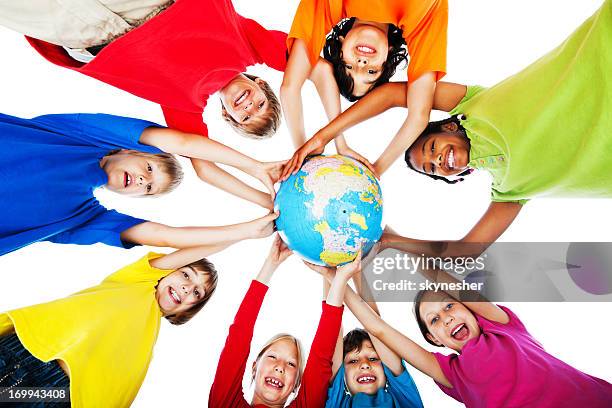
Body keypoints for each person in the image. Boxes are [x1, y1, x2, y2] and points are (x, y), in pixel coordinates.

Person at [288, 0, 612, 254]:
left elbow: (390, 95)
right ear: (453, 178)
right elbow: (461, 252)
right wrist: (388, 240)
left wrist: (326, 139)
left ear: (450, 127)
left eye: (432, 149)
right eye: (434, 169)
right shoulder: (510, 191)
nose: (439, 161)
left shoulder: (472, 104)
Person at [0, 0, 288, 208]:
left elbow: (205, 169)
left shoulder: (185, 107)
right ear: (261, 83)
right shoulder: (248, 44)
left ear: (228, 115)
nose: (248, 106)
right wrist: (311, 138)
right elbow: (310, 57)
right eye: (259, 105)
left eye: (245, 118)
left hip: (92, 34)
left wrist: (267, 196)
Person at [0, 112, 278, 256]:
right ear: (127, 149)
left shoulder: (83, 218)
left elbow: (166, 236)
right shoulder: (78, 136)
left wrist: (247, 231)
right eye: (148, 168)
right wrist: (254, 167)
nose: (144, 180)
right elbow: (180, 143)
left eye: (148, 188)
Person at [0, 243, 223, 407]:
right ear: (166, 271)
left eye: (196, 292)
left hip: (57, 393)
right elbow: (187, 251)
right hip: (25, 352)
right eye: (185, 274)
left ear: (189, 308)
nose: (186, 287)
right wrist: (249, 231)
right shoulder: (136, 280)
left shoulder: (147, 346)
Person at [340, 275, 612, 407]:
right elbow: (379, 329)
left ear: (469, 307)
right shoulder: (450, 374)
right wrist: (337, 278)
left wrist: (391, 241)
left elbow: (442, 274)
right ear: (433, 338)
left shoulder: (504, 327)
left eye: (449, 307)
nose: (445, 318)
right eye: (434, 320)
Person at [281, 0, 448, 176]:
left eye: (349, 66)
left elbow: (290, 88)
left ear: (341, 46)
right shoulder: (422, 21)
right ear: (389, 53)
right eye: (371, 71)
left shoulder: (328, 5)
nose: (361, 63)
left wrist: (304, 154)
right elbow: (418, 116)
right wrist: (376, 170)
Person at [208, 238, 360, 407]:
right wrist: (270, 264)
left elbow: (321, 357)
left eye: (291, 364)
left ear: (296, 384)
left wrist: (337, 279)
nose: (280, 367)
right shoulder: (224, 403)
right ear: (254, 368)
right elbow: (238, 339)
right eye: (272, 357)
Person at [304, 262, 423, 408]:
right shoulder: (338, 404)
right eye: (353, 361)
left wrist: (355, 270)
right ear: (343, 374)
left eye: (373, 358)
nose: (365, 365)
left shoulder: (404, 400)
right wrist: (328, 265)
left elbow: (377, 328)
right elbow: (331, 333)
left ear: (385, 368)